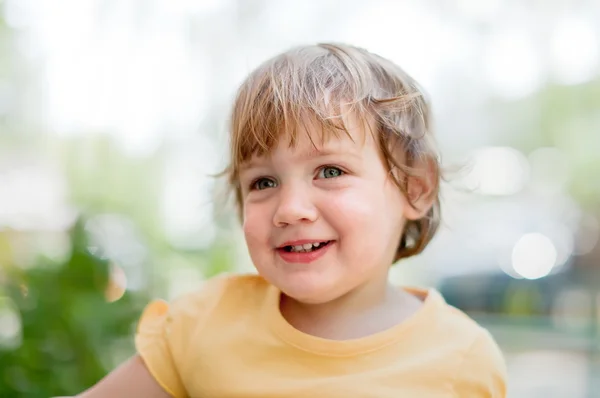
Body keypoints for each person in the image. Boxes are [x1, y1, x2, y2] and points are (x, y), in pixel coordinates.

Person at [76, 43, 507, 397]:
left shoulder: (461, 359)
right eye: (263, 182)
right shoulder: (203, 323)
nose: (289, 208)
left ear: (415, 188)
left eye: (331, 172)